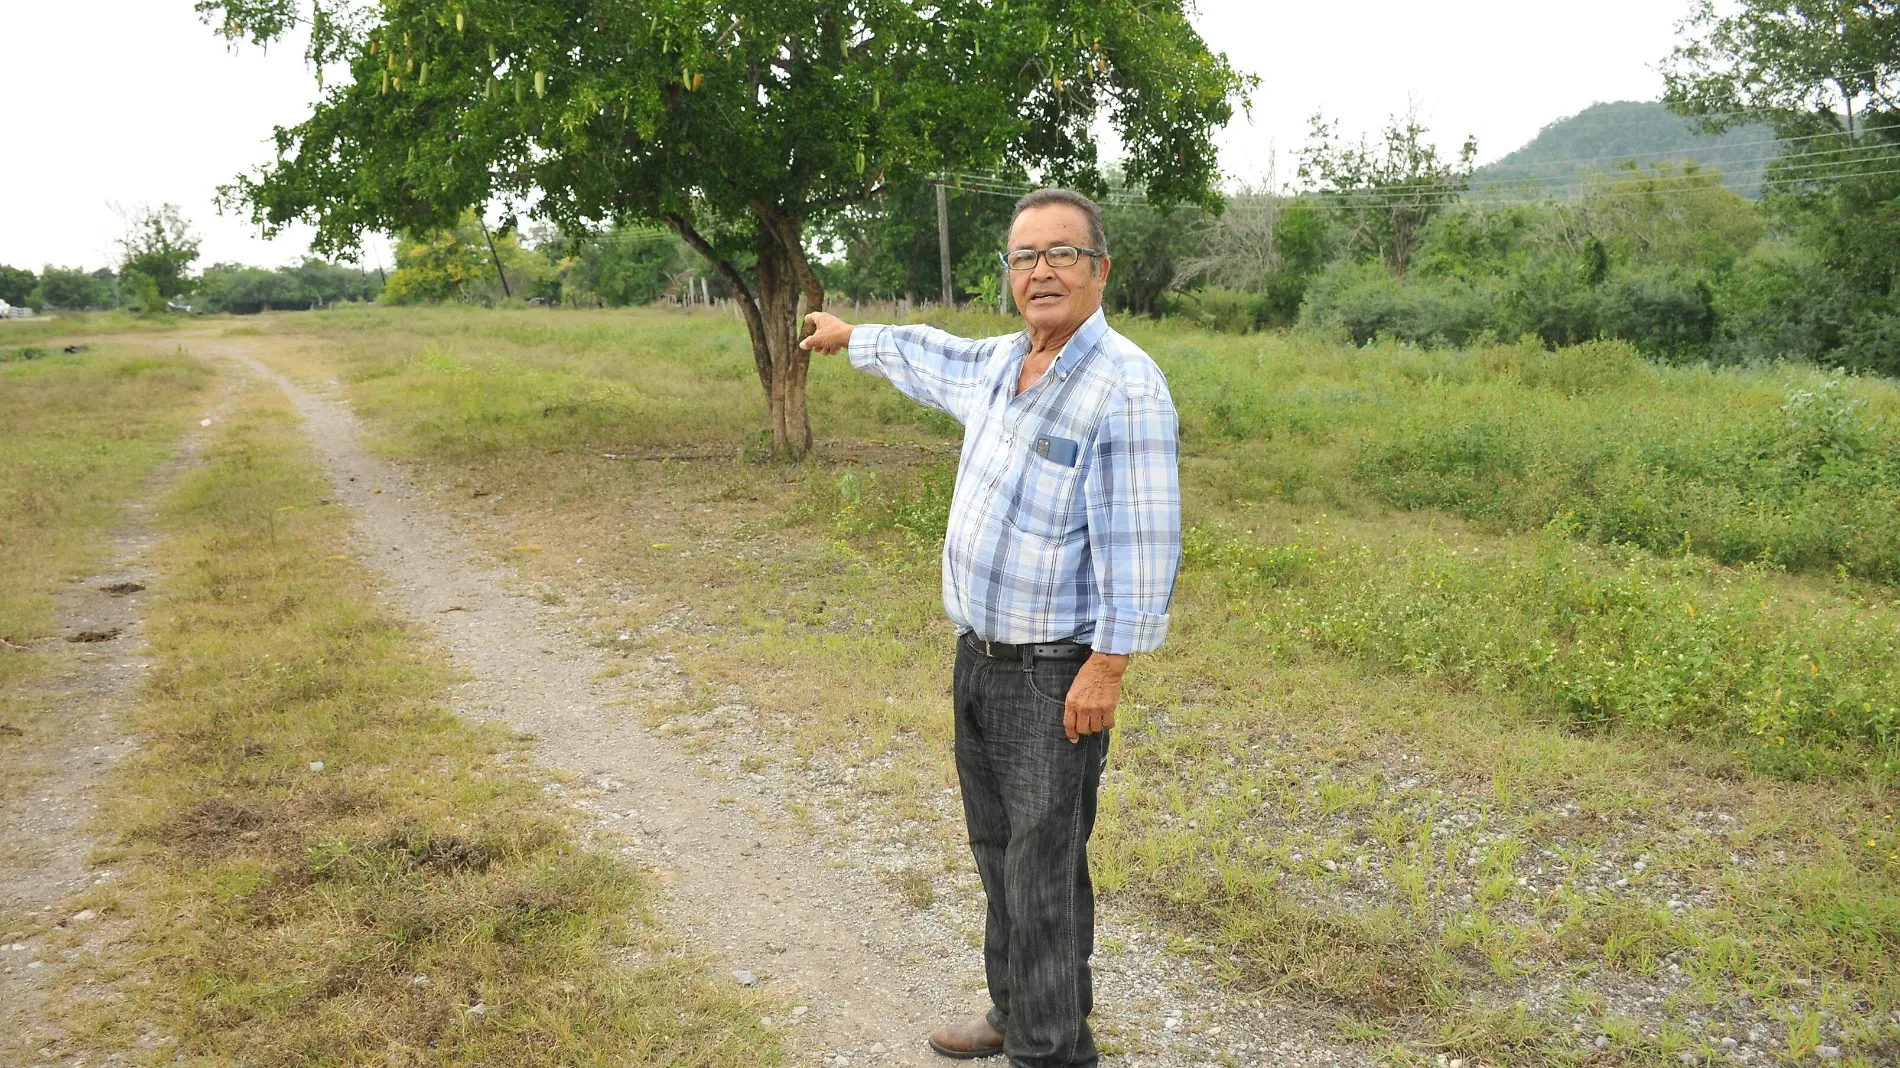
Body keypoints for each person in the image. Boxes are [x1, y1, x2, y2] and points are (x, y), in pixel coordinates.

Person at [801, 188, 1182, 1067]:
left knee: (1042, 868)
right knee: (1000, 852)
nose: (1041, 270)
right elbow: (931, 354)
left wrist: (1109, 667)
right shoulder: (1004, 363)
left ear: (1100, 270)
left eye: (1061, 253)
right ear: (1009, 274)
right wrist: (852, 336)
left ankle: (1051, 1051)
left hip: (1054, 674)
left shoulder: (1124, 386)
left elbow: (1143, 541)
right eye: (1024, 257)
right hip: (980, 658)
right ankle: (1020, 1012)